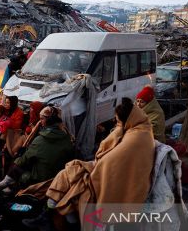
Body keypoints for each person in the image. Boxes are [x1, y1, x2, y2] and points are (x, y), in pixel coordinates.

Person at [43, 98, 155, 229]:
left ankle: (58, 211)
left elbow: (107, 162)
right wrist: (120, 127)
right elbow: (105, 152)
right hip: (111, 172)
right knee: (71, 170)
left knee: (76, 183)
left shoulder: (135, 138)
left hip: (114, 179)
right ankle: (55, 209)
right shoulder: (139, 128)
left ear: (128, 120)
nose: (116, 123)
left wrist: (119, 129)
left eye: (118, 121)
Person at [0, 106, 74, 190]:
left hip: (41, 179)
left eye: (42, 119)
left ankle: (10, 184)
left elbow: (24, 159)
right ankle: (8, 182)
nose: (40, 122)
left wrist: (17, 161)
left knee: (21, 164)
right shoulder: (67, 138)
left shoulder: (40, 140)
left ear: (49, 121)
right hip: (59, 177)